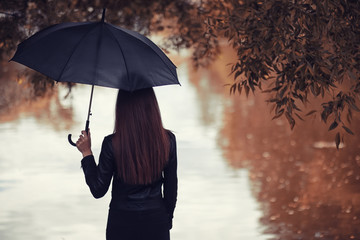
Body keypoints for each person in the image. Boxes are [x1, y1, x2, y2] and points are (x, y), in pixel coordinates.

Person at [76, 88, 178, 240]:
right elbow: (171, 188)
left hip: (121, 223)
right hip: (156, 220)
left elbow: (98, 189)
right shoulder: (167, 140)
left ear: (122, 108)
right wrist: (166, 219)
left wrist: (86, 153)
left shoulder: (112, 143)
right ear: (152, 107)